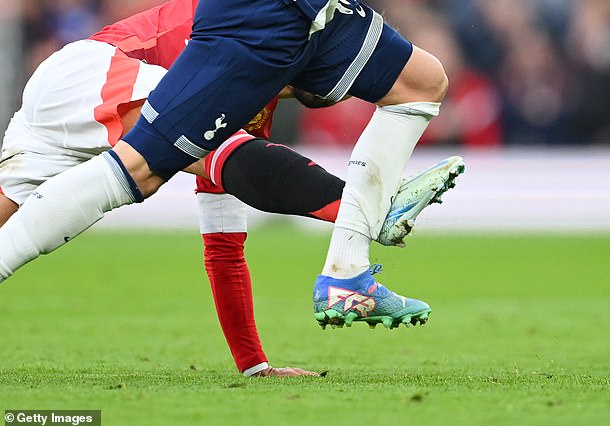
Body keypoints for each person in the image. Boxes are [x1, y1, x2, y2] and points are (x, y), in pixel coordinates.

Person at [0, 0, 465, 330]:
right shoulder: (248, 54)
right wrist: (367, 210)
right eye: (320, 90)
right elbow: (248, 171)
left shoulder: (243, 95)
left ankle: (349, 263)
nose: (321, 93)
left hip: (61, 94)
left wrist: (253, 365)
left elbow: (223, 240)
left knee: (195, 162)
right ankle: (353, 256)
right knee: (144, 169)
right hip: (93, 68)